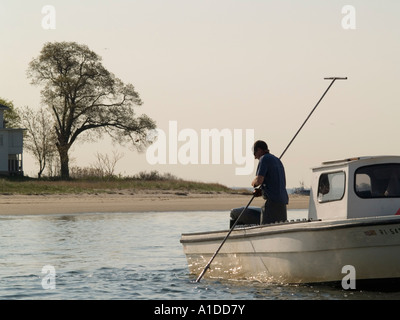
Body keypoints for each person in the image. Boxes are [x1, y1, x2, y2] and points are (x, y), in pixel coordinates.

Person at [251, 140, 288, 224]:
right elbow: (275, 182)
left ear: (260, 150)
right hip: (282, 202)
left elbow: (259, 180)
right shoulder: (277, 160)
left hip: (272, 203)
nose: (255, 157)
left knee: (265, 228)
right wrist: (263, 191)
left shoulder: (264, 159)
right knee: (280, 229)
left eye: (254, 153)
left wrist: (253, 183)